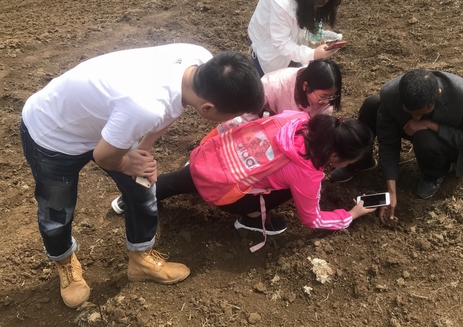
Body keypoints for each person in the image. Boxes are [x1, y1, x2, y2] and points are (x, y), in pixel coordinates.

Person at [20, 43, 264, 309]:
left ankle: (141, 260)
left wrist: (142, 152)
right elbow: (104, 156)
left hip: (108, 121)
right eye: (232, 116)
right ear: (207, 108)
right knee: (56, 209)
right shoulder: (145, 106)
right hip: (53, 135)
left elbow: (172, 111)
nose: (232, 121)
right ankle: (65, 262)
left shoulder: (199, 63)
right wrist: (127, 163)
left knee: (144, 187)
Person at [111, 58, 342, 215]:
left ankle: (195, 175)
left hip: (276, 142)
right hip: (254, 130)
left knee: (210, 175)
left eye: (330, 98)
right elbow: (248, 116)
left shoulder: (317, 110)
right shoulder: (274, 86)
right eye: (322, 96)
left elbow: (313, 133)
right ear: (305, 86)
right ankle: (139, 196)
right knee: (217, 162)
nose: (326, 102)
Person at [155, 114, 376, 236]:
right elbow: (311, 219)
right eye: (349, 162)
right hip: (223, 189)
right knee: (290, 188)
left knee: (172, 183)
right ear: (334, 155)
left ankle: (140, 195)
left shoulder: (297, 118)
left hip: (209, 156)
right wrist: (351, 215)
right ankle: (250, 218)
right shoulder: (307, 172)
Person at [330, 69, 463, 220]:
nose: (416, 118)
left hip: (446, 143)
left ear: (438, 94)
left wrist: (431, 125)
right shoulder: (391, 93)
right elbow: (388, 142)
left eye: (422, 113)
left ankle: (435, 174)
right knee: (372, 104)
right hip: (409, 128)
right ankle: (362, 161)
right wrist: (391, 192)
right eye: (409, 111)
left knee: (424, 137)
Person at [248, 0, 346, 76]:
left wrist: (312, 37)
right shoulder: (282, 3)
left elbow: (304, 17)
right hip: (268, 44)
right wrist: (313, 54)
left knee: (296, 73)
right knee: (272, 82)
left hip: (289, 40)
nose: (324, 0)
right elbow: (281, 43)